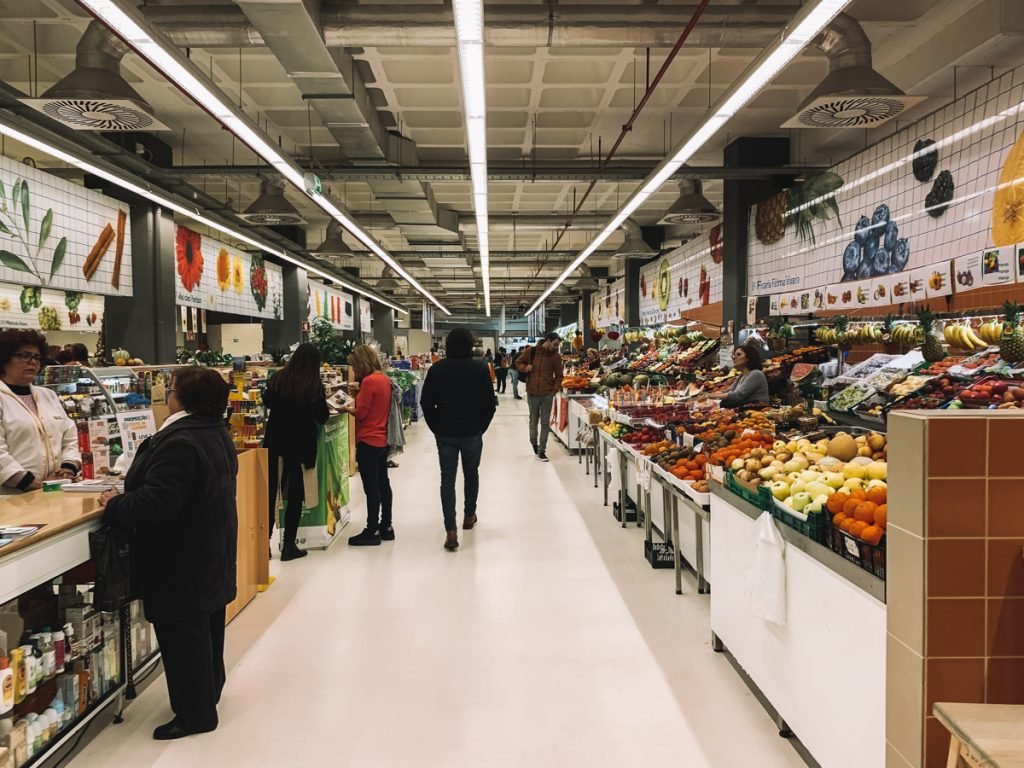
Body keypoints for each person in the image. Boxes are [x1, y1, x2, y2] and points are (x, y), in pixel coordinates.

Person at [99, 367, 236, 740]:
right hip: (208, 550)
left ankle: (196, 714)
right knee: (205, 629)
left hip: (181, 559)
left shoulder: (179, 440)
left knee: (183, 636)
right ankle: (207, 693)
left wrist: (116, 505)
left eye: (170, 389)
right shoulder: (213, 431)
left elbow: (155, 505)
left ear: (180, 397)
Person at [420, 328, 496, 551]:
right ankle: (469, 515)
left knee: (447, 480)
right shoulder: (480, 368)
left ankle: (450, 531)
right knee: (471, 474)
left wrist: (436, 427)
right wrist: (481, 427)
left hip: (446, 433)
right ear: (470, 346)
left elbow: (426, 403)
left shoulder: (437, 369)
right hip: (472, 431)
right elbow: (489, 404)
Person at [262, 343, 329, 561]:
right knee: (295, 496)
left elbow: (267, 401)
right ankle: (289, 545)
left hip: (275, 443)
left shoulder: (278, 379)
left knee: (270, 494)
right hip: (300, 447)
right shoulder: (313, 385)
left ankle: (264, 545)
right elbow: (322, 417)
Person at [0, 329, 80, 493]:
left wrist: (68, 468)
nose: (33, 362)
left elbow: (70, 435)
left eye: (37, 357)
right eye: (24, 355)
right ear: (4, 358)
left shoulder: (48, 395)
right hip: (12, 498)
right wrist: (33, 483)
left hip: (56, 490)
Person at [339, 344, 394, 546]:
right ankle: (386, 526)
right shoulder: (384, 379)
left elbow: (362, 413)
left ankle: (372, 530)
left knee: (371, 488)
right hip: (382, 440)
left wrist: (346, 408)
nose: (356, 370)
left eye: (355, 366)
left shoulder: (369, 382)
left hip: (368, 440)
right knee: (383, 485)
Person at [515, 331, 564, 462]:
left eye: (557, 345)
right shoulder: (531, 351)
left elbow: (559, 376)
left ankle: (542, 450)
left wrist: (553, 392)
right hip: (532, 393)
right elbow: (518, 362)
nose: (556, 347)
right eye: (554, 344)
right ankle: (534, 444)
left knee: (544, 423)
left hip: (547, 394)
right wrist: (525, 368)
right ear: (547, 340)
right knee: (533, 421)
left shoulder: (556, 357)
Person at [709, 343, 770, 408]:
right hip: (746, 409)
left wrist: (711, 396)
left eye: (738, 354)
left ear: (748, 358)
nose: (734, 357)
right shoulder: (742, 375)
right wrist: (715, 393)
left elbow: (738, 395)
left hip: (758, 412)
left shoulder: (756, 374)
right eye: (734, 355)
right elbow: (730, 390)